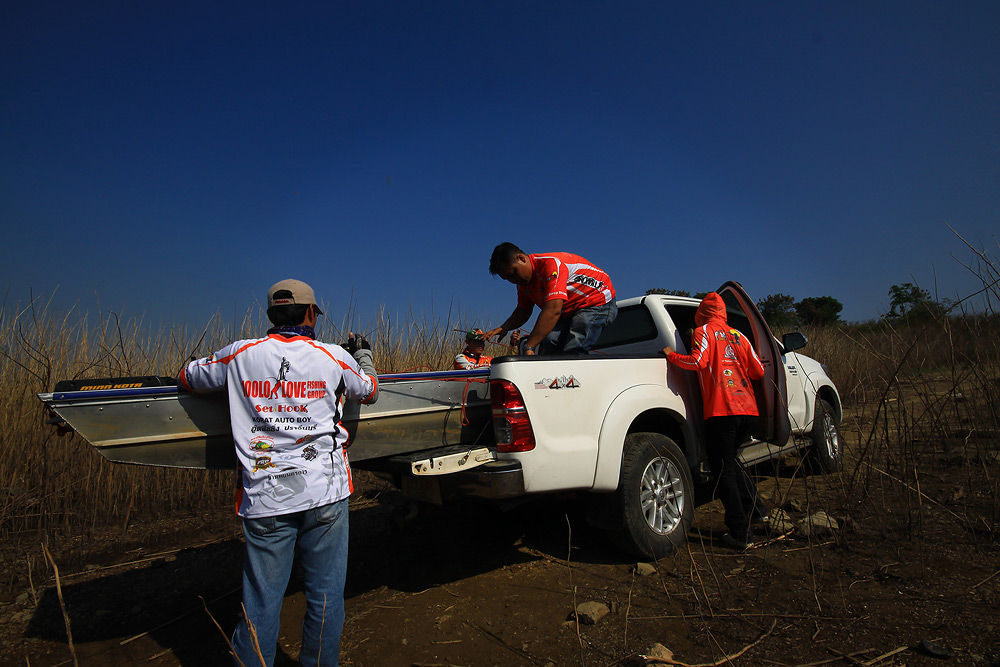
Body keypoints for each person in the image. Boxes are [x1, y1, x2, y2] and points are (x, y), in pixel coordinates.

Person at [179, 279, 378, 667]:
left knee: (261, 602)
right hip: (325, 494)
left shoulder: (238, 354)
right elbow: (368, 391)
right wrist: (365, 354)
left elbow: (188, 377)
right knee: (324, 596)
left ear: (271, 315)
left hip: (265, 497)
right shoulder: (333, 355)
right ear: (309, 314)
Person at [661, 292, 767, 550]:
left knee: (723, 471)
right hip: (748, 411)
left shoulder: (703, 332)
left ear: (703, 313)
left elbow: (699, 361)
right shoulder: (739, 335)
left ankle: (740, 533)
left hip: (722, 410)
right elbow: (758, 371)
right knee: (731, 461)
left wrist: (671, 355)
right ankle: (757, 511)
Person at [484, 242, 617, 355]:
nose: (513, 280)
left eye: (513, 273)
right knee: (549, 340)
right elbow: (523, 310)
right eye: (508, 279)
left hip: (597, 303)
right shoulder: (523, 284)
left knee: (576, 344)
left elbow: (553, 310)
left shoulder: (551, 265)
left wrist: (530, 346)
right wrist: (505, 327)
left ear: (521, 259)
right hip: (569, 311)